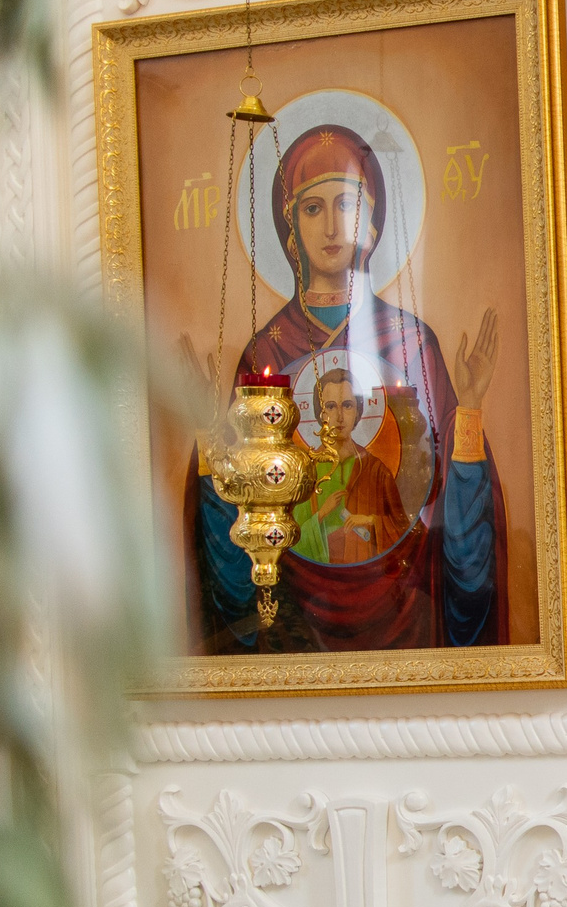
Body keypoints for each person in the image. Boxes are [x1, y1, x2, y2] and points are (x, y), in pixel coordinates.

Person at [184, 121, 507, 652]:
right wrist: (208, 435)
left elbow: (455, 530)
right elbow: (239, 536)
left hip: (404, 608)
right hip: (293, 619)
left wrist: (466, 412)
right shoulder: (266, 355)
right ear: (291, 231)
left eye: (347, 204)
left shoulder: (411, 343)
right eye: (313, 208)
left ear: (373, 225)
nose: (333, 225)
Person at [293, 367, 408, 566]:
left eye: (347, 405)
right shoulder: (306, 470)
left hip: (369, 573)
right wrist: (321, 514)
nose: (339, 416)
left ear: (358, 411)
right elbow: (292, 537)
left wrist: (372, 521)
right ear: (320, 414)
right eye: (330, 406)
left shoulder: (376, 471)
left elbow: (403, 529)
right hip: (321, 576)